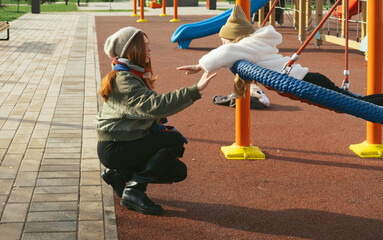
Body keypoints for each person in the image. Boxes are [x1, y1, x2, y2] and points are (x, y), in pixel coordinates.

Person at [95, 27, 216, 215]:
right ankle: (134, 191)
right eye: (145, 46)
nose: (150, 49)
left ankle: (120, 174)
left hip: (122, 144)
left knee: (177, 171)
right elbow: (154, 106)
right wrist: (195, 90)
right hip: (115, 148)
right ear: (131, 50)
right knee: (173, 139)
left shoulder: (130, 73)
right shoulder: (125, 80)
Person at [177, 4, 383, 106]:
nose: (222, 44)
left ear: (234, 38)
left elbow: (228, 51)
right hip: (307, 80)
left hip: (306, 82)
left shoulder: (247, 45)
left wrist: (200, 66)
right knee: (355, 100)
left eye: (224, 40)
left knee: (357, 104)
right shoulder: (254, 44)